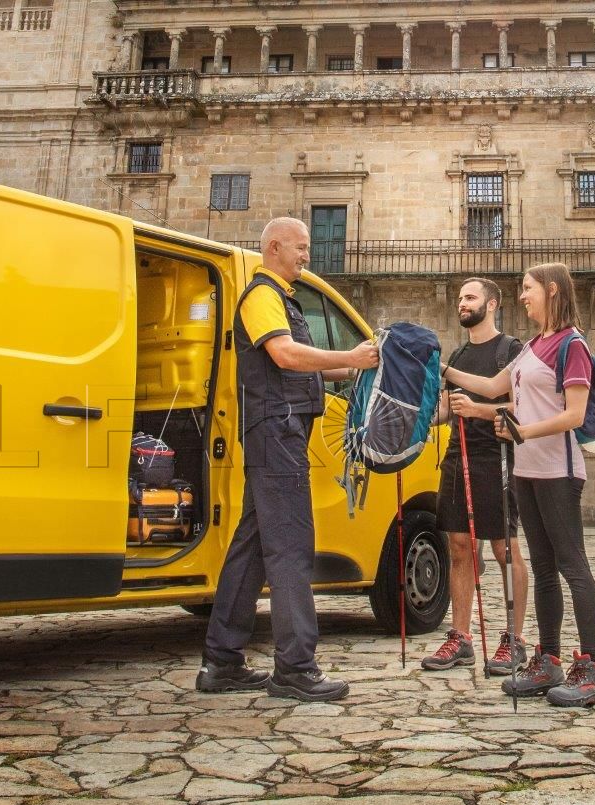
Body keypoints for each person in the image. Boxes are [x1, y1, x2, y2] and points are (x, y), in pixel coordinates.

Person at [199, 217, 379, 702]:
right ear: (274, 247)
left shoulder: (284, 299)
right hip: (275, 433)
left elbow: (308, 364)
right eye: (300, 248)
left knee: (253, 547)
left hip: (280, 433)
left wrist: (359, 366)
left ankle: (221, 662)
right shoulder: (261, 296)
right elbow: (284, 355)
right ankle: (295, 668)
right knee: (291, 549)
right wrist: (348, 357)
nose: (307, 255)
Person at [441, 262, 595, 708]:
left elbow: (574, 414)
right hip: (527, 471)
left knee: (573, 565)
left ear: (552, 290)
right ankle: (547, 659)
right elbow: (493, 386)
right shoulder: (532, 346)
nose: (523, 296)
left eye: (528, 288)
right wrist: (440, 367)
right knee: (543, 567)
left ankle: (591, 668)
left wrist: (520, 431)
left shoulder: (572, 344)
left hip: (559, 469)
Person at [421, 277, 530, 677]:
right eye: (460, 298)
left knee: (505, 550)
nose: (462, 303)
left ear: (493, 303)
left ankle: (514, 640)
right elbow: (447, 410)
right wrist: (411, 425)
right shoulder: (459, 354)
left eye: (471, 297)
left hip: (496, 456)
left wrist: (480, 410)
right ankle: (461, 637)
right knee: (459, 547)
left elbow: (524, 404)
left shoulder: (511, 350)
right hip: (456, 456)